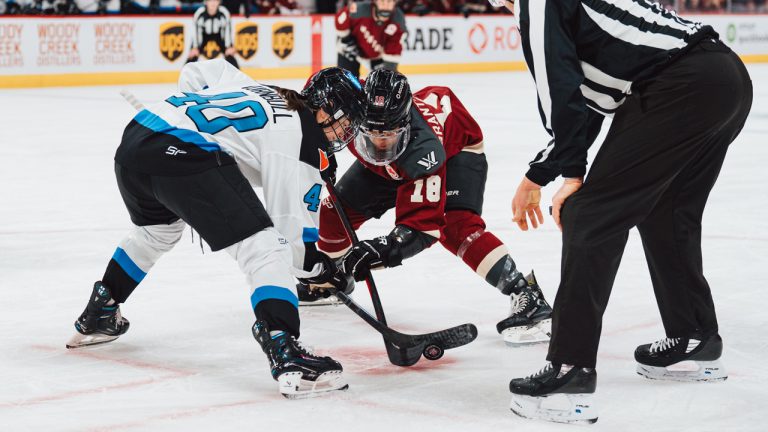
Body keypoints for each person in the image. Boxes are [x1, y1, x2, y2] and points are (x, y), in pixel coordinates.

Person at [488, 0, 753, 424]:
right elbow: (595, 98)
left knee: (589, 215)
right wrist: (543, 173)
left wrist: (571, 175)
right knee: (666, 210)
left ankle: (570, 371)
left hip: (682, 84)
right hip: (724, 78)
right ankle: (695, 337)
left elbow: (562, 90)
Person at [66, 59, 367, 399]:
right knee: (266, 246)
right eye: (347, 123)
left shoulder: (261, 89)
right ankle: (287, 354)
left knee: (157, 232)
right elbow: (293, 239)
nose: (347, 133)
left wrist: (198, 121)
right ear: (326, 110)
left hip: (137, 138)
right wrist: (323, 271)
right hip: (182, 153)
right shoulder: (300, 141)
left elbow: (197, 72)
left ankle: (101, 310)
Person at [301, 69, 553, 346]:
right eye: (369, 134)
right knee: (333, 212)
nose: (379, 145)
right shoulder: (357, 102)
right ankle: (332, 283)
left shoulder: (425, 151)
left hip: (456, 153)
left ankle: (526, 295)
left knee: (456, 226)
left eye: (387, 136)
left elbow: (422, 229)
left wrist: (379, 251)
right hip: (392, 162)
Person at [335, 0, 407, 78]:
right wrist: (346, 39)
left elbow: (393, 48)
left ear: (394, 3)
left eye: (389, 2)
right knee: (347, 83)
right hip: (350, 50)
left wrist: (389, 71)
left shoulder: (398, 20)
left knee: (383, 83)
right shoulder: (359, 9)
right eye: (382, 1)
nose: (386, 6)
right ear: (375, 2)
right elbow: (340, 20)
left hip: (377, 57)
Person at [186, 0, 239, 69]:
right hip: (203, 36)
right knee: (193, 55)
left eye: (215, 0)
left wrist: (228, 46)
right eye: (210, 0)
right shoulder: (199, 13)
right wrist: (195, 47)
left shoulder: (224, 13)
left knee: (230, 54)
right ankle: (185, 75)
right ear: (206, 2)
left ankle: (237, 76)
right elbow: (196, 32)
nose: (213, 3)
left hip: (219, 36)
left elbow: (227, 30)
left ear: (219, 2)